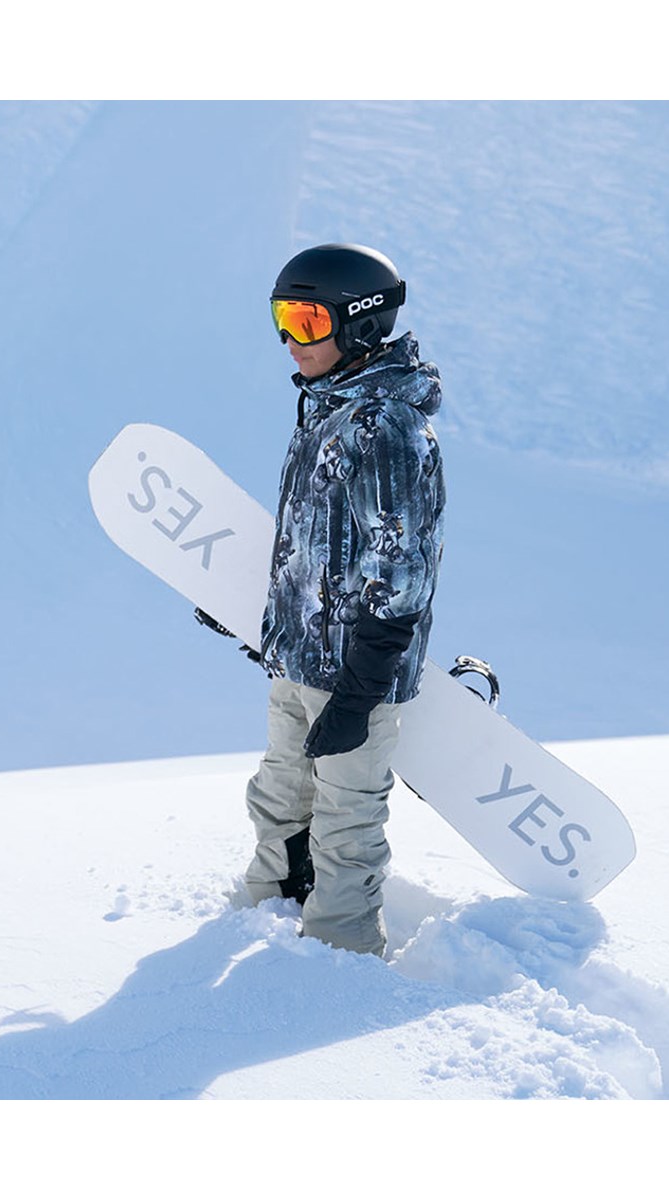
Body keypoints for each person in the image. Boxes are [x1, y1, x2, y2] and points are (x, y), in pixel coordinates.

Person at [203, 243, 445, 958]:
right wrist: (259, 611)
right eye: (282, 319)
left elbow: (403, 570)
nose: (290, 339)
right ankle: (268, 912)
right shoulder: (328, 407)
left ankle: (341, 959)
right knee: (280, 795)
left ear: (362, 323)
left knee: (346, 821)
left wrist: (359, 692)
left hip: (354, 674)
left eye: (308, 321)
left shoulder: (388, 428)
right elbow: (316, 541)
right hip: (300, 656)